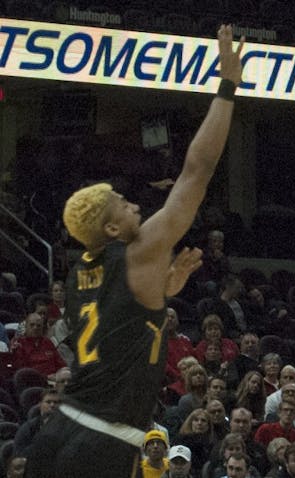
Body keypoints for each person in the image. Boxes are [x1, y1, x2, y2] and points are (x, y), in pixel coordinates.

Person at [22, 25, 244, 478]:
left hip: (60, 428)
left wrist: (163, 292)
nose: (136, 203)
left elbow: (122, 323)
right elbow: (196, 172)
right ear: (110, 227)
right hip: (102, 441)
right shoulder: (139, 251)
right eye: (123, 204)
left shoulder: (80, 271)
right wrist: (227, 87)